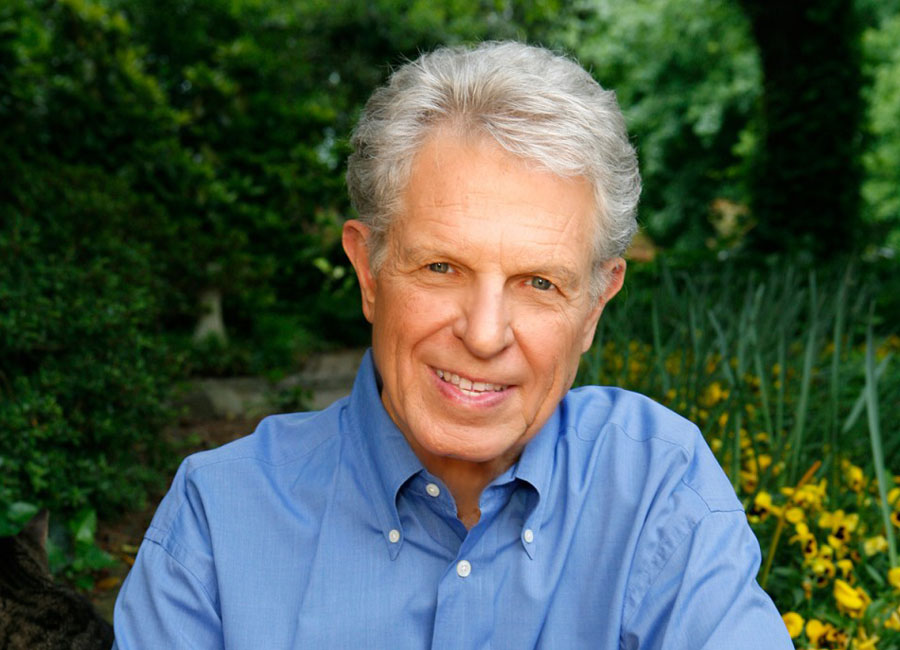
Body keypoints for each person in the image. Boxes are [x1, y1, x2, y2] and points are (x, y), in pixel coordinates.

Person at [112, 41, 793, 649]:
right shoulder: (220, 518)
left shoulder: (654, 492)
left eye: (539, 282)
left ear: (593, 305)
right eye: (442, 267)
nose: (485, 334)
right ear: (368, 271)